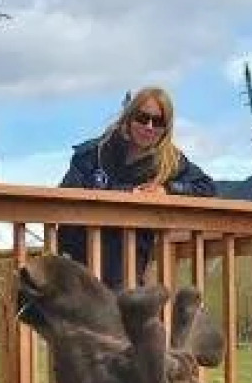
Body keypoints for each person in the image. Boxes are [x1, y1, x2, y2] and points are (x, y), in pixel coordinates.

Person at [54, 86, 217, 288]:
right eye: (143, 118)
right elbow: (65, 196)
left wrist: (168, 190)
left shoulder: (170, 161)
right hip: (78, 256)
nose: (149, 126)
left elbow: (206, 188)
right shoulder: (94, 153)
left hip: (126, 265)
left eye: (158, 122)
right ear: (130, 117)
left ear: (166, 128)